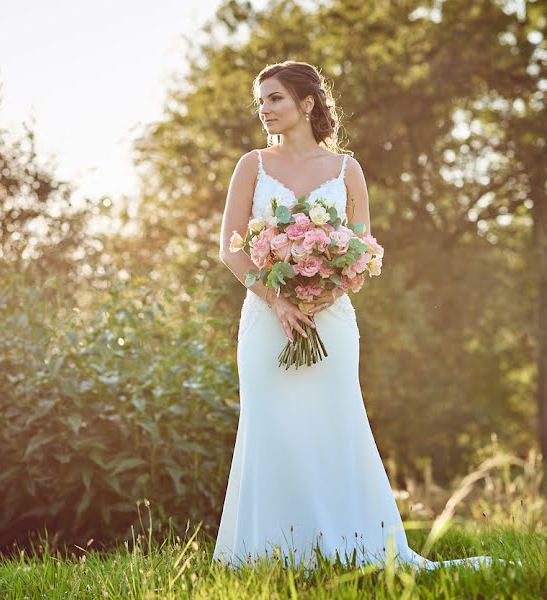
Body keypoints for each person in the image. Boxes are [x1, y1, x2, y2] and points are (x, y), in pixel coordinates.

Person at [213, 60, 498, 573]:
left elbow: (361, 251)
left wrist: (323, 294)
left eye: (275, 98)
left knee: (335, 424)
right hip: (266, 317)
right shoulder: (250, 165)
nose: (265, 110)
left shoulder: (347, 170)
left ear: (307, 104)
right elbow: (231, 249)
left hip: (331, 320)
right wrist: (277, 298)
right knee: (270, 427)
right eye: (261, 101)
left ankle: (348, 547)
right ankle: (271, 555)